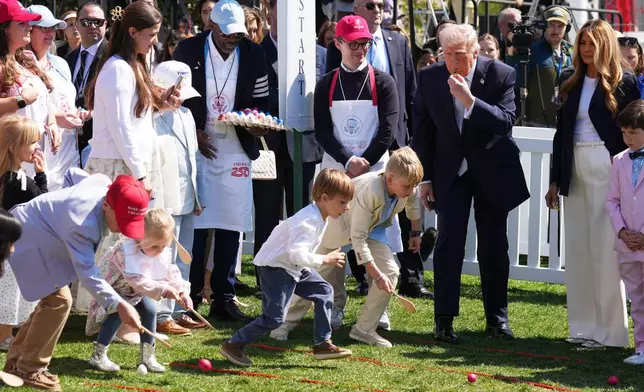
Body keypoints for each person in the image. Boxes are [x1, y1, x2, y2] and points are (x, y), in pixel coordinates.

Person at [412, 23, 529, 344]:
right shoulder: (430, 77)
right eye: (447, 54)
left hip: (492, 168)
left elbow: (506, 122)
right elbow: (422, 130)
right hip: (451, 172)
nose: (452, 61)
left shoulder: (501, 74)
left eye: (460, 55)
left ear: (476, 52)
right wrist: (427, 179)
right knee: (449, 244)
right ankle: (444, 320)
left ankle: (497, 320)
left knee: (494, 245)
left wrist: (470, 102)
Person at [4, 174, 148, 391]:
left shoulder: (102, 183)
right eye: (122, 220)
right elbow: (88, 274)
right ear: (107, 205)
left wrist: (60, 209)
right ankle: (30, 369)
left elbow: (72, 174)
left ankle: (17, 365)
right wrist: (121, 305)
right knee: (59, 301)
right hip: (27, 237)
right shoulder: (82, 224)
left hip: (41, 233)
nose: (125, 229)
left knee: (53, 301)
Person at [545, 19, 640, 349]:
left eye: (592, 43)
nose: (586, 49)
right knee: (579, 251)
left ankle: (611, 333)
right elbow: (561, 134)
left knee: (604, 252)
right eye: (582, 43)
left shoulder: (624, 82)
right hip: (574, 167)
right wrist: (555, 180)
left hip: (606, 166)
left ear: (605, 46)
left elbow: (633, 131)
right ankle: (583, 327)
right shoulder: (569, 81)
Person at [173, 0, 270, 322]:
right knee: (197, 223)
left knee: (232, 223)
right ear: (211, 26)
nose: (233, 39)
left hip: (236, 147)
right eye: (227, 33)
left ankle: (224, 296)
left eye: (238, 34)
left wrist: (252, 122)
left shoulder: (255, 54)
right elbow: (173, 100)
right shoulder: (187, 51)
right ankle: (190, 294)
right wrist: (194, 131)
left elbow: (260, 103)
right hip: (196, 145)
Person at [325, 0, 427, 302]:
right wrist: (349, 158)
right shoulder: (330, 71)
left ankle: (400, 285)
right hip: (344, 159)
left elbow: (406, 99)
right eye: (371, 4)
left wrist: (395, 145)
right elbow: (325, 120)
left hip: (387, 149)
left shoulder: (396, 46)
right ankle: (346, 292)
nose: (379, 9)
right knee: (342, 226)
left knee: (389, 221)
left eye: (383, 4)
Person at [272, 148, 424, 348]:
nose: (411, 189)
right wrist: (376, 276)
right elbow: (357, 238)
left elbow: (412, 203)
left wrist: (415, 233)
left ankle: (364, 329)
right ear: (389, 179)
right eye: (407, 185)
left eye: (414, 185)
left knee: (390, 271)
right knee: (315, 276)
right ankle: (282, 325)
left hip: (373, 227)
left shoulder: (406, 186)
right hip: (339, 225)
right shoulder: (371, 191)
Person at [314, 14, 400, 328]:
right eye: (353, 44)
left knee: (376, 239)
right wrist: (347, 160)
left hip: (375, 172)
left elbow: (388, 130)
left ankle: (379, 307)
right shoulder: (326, 83)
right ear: (338, 44)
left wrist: (363, 163)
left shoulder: (383, 81)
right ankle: (335, 304)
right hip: (337, 173)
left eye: (364, 43)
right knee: (332, 242)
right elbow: (323, 130)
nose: (359, 49)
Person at [220, 169, 354, 366]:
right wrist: (325, 259)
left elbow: (297, 257)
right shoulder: (308, 221)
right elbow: (296, 254)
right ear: (325, 198)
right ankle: (233, 344)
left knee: (324, 291)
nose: (347, 207)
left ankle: (322, 343)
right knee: (274, 319)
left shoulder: (321, 216)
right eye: (343, 202)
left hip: (293, 268)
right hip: (276, 269)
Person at [252, 0, 323, 290]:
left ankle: (299, 278)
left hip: (303, 145)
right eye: (280, 11)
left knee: (302, 215)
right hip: (265, 147)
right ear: (270, 14)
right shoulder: (255, 53)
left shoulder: (317, 54)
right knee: (267, 215)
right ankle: (266, 278)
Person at [86, 209, 192, 373]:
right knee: (117, 313)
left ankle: (147, 356)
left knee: (150, 310)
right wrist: (164, 289)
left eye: (164, 245)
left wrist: (182, 291)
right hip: (115, 291)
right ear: (139, 237)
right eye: (155, 246)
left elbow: (171, 272)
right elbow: (137, 281)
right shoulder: (125, 251)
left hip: (136, 293)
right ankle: (99, 355)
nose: (159, 250)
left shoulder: (159, 249)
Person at [152, 60, 207, 332]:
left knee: (185, 256)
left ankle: (180, 308)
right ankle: (162, 315)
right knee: (165, 256)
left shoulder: (186, 115)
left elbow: (194, 158)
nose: (180, 100)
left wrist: (200, 195)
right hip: (164, 199)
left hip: (187, 197)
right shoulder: (150, 118)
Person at [27, 5, 85, 191]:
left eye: (52, 28)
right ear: (28, 29)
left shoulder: (60, 63)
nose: (50, 33)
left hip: (68, 150)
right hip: (36, 151)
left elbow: (66, 101)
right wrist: (57, 118)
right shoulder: (18, 66)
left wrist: (79, 114)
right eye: (43, 28)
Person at [0, 115, 46, 352]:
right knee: (9, 291)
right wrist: (41, 174)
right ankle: (4, 336)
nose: (37, 147)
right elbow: (42, 203)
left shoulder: (6, 176)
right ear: (13, 147)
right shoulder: (20, 181)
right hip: (11, 247)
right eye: (31, 143)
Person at [606, 100, 644, 365]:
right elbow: (612, 200)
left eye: (634, 133)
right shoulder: (619, 160)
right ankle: (641, 347)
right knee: (637, 298)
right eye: (624, 133)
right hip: (627, 245)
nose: (628, 138)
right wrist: (621, 231)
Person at [506, 6, 573, 127]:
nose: (556, 30)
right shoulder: (532, 50)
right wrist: (512, 52)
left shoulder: (571, 52)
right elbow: (515, 82)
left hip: (564, 123)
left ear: (567, 28)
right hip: (537, 124)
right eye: (551, 24)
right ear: (544, 26)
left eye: (560, 26)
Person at [65, 1, 107, 161]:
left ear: (105, 24)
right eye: (87, 21)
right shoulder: (68, 60)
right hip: (70, 143)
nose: (93, 26)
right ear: (76, 24)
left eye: (98, 22)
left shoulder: (114, 58)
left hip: (99, 143)